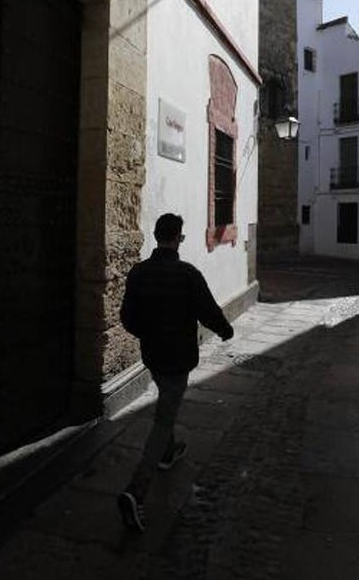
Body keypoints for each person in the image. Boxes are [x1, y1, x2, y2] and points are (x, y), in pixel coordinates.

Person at [116, 213, 234, 532]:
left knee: (166, 401)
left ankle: (169, 451)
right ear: (178, 238)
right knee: (164, 418)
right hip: (179, 358)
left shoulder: (139, 273)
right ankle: (136, 491)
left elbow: (127, 317)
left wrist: (149, 333)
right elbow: (208, 310)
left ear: (156, 235)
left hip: (153, 356)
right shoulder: (187, 274)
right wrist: (226, 331)